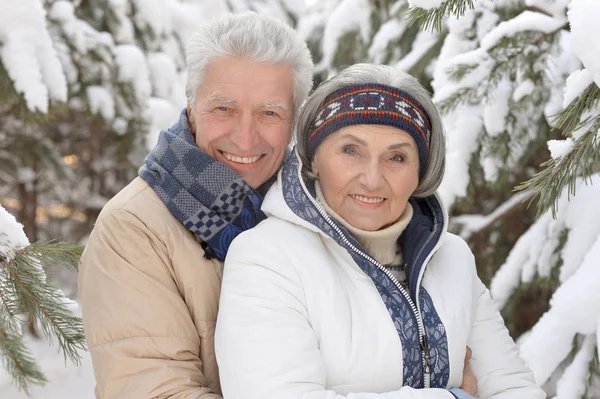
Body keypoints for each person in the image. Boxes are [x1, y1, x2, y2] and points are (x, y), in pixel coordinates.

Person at [215, 64, 547, 399]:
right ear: (313, 159)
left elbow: (515, 388)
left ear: (420, 172)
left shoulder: (452, 258)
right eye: (351, 151)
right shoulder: (267, 256)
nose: (372, 179)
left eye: (397, 157)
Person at [77, 12, 313, 398]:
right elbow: (156, 391)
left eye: (270, 112)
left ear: (294, 121)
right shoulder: (134, 228)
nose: (245, 137)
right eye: (224, 108)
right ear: (191, 104)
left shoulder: (321, 214)